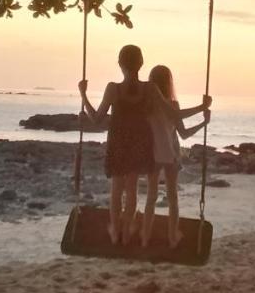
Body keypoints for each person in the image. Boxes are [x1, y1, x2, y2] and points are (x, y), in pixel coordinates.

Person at [79, 45, 210, 247]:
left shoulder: (113, 88)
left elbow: (96, 119)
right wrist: (202, 108)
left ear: (120, 64)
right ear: (141, 64)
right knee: (131, 190)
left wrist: (83, 95)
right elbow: (174, 114)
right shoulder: (149, 89)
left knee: (116, 191)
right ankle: (128, 231)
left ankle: (116, 232)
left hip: (118, 144)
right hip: (139, 145)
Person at [141, 64, 209, 248]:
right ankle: (172, 237)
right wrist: (204, 121)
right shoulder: (173, 106)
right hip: (171, 156)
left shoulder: (146, 106)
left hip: (152, 155)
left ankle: (145, 237)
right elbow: (184, 134)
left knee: (151, 198)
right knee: (172, 199)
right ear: (168, 82)